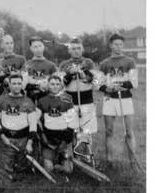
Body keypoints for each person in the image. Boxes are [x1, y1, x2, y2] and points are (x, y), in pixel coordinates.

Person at [98, 33, 138, 166]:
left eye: (121, 44)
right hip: (110, 99)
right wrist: (107, 88)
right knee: (109, 131)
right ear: (110, 45)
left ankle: (132, 160)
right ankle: (110, 160)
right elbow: (98, 84)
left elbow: (134, 82)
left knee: (129, 131)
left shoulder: (129, 61)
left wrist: (119, 85)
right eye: (116, 44)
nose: (118, 47)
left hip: (125, 98)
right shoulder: (104, 63)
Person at [58, 37, 98, 162]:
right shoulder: (64, 64)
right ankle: (70, 158)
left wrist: (83, 74)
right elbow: (60, 84)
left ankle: (87, 157)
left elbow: (94, 81)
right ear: (69, 50)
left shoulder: (89, 62)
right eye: (73, 49)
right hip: (70, 101)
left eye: (78, 48)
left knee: (86, 131)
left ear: (82, 49)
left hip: (86, 100)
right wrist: (70, 74)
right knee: (70, 130)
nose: (76, 51)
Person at [0, 74, 38, 177]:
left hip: (23, 140)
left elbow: (33, 124)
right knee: (5, 172)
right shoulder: (1, 100)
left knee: (23, 170)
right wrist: (2, 137)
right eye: (14, 83)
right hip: (7, 140)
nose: (16, 86)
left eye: (19, 83)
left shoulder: (28, 101)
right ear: (9, 85)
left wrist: (29, 142)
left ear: (22, 84)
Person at [37, 75, 77, 174]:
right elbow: (37, 121)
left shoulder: (67, 99)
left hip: (64, 138)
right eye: (52, 84)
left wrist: (65, 141)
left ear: (61, 86)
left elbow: (72, 122)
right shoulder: (42, 100)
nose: (55, 86)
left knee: (68, 171)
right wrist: (43, 136)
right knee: (48, 169)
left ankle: (60, 162)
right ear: (48, 86)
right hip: (49, 139)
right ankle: (53, 161)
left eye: (57, 84)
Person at [25, 36, 57, 103]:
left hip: (47, 101)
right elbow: (24, 84)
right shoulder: (26, 65)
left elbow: (56, 84)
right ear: (31, 48)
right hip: (31, 101)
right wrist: (37, 84)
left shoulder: (51, 65)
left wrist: (47, 85)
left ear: (43, 46)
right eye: (35, 47)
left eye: (40, 46)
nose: (38, 49)